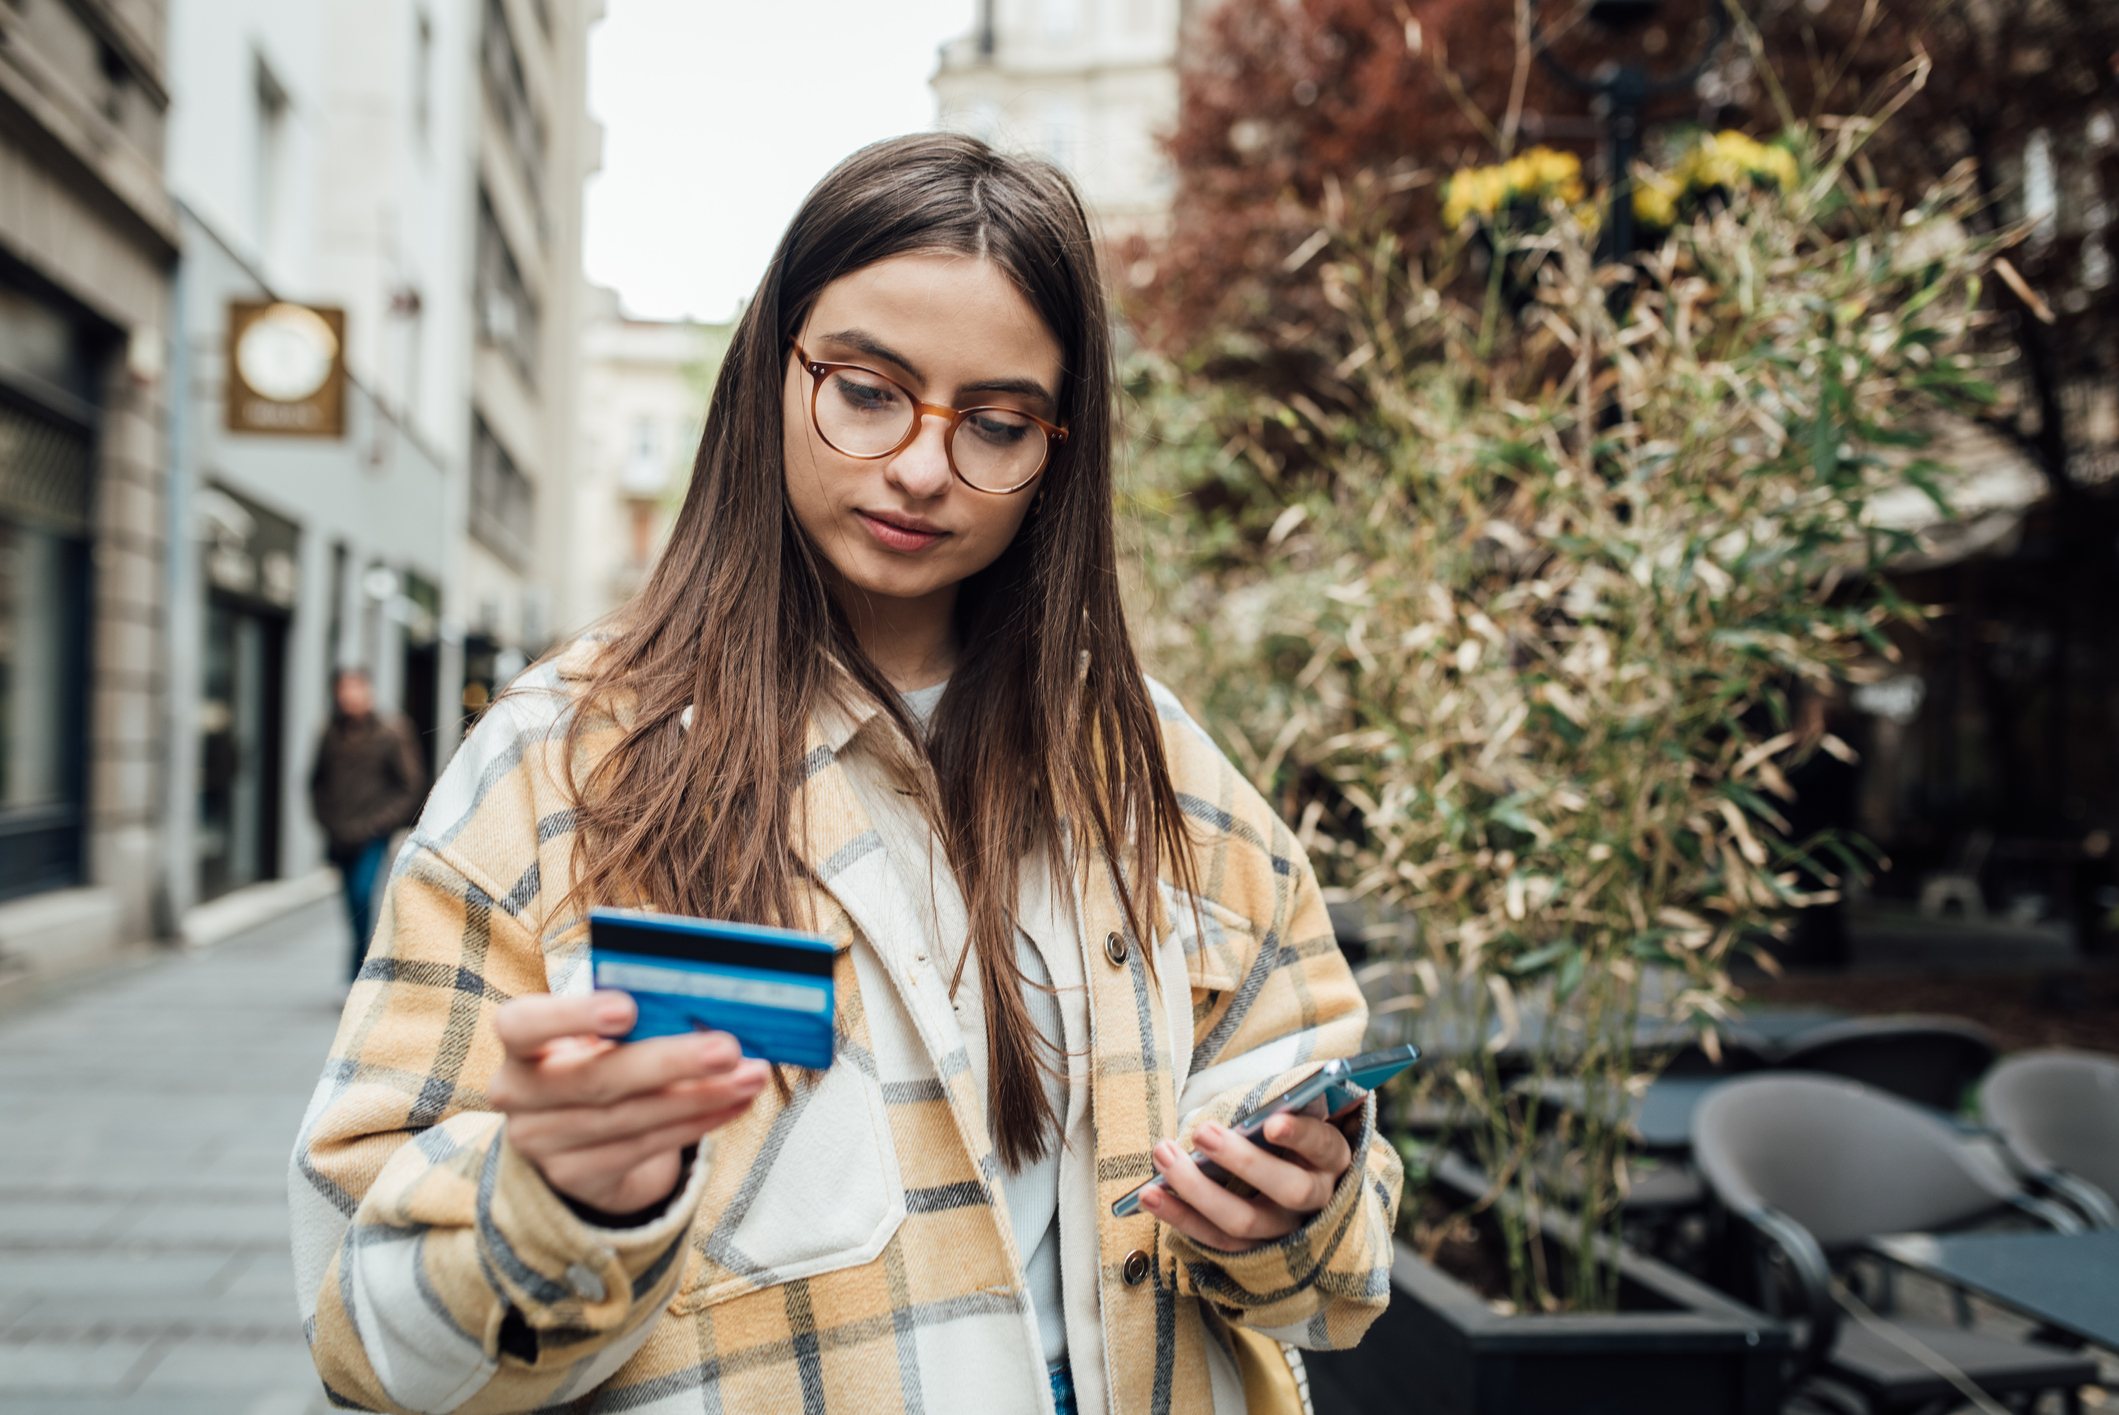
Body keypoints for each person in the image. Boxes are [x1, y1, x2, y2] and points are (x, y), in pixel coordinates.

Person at [290, 134, 1400, 1415]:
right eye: (867, 390)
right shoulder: (564, 764)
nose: (925, 467)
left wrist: (1296, 1205)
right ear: (772, 370)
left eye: (994, 422)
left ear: (1060, 449)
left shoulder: (1162, 775)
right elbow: (360, 1332)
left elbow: (1343, 1269)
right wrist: (555, 1201)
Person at [307, 666, 426, 982]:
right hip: (340, 835)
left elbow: (410, 785)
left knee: (362, 896)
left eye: (355, 688)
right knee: (350, 904)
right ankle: (362, 965)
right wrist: (326, 820)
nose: (349, 696)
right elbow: (316, 782)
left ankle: (360, 971)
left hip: (372, 834)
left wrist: (381, 825)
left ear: (368, 691)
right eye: (344, 690)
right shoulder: (331, 734)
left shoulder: (391, 731)